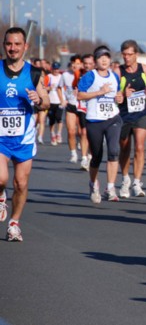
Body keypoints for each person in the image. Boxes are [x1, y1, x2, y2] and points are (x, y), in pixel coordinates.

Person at [0, 27, 50, 241]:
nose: (13, 48)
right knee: (2, 177)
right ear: (4, 46)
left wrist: (38, 100)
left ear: (25, 46)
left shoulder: (34, 73)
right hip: (1, 137)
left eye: (17, 44)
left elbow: (46, 102)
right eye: (9, 44)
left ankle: (14, 223)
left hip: (24, 138)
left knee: (21, 183)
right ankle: (2, 195)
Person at [77, 46, 124, 203]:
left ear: (110, 60)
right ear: (95, 61)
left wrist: (120, 98)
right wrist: (99, 92)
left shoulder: (115, 76)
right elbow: (80, 95)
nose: (104, 60)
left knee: (114, 151)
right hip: (94, 120)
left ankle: (110, 187)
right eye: (100, 57)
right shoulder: (90, 76)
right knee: (96, 156)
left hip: (112, 119)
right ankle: (93, 184)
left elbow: (117, 94)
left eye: (106, 57)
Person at [113, 40, 146, 199]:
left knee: (140, 147)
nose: (127, 58)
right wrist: (122, 94)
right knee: (124, 148)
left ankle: (137, 182)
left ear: (136, 54)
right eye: (124, 54)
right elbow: (112, 95)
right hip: (123, 114)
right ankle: (125, 179)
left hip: (141, 113)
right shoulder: (118, 71)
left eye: (130, 54)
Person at [60, 55, 84, 163]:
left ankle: (82, 147)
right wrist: (62, 99)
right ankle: (73, 153)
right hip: (70, 104)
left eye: (78, 63)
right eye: (74, 63)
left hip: (82, 105)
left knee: (81, 131)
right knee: (71, 131)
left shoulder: (84, 75)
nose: (75, 65)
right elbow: (59, 88)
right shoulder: (65, 75)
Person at [74, 53, 95, 170]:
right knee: (83, 132)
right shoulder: (79, 74)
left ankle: (91, 155)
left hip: (94, 107)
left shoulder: (97, 75)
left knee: (92, 135)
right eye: (85, 63)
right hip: (82, 106)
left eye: (90, 64)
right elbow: (74, 86)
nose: (87, 66)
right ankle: (84, 158)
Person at [46, 61, 65, 145]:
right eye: (54, 69)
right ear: (52, 69)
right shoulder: (48, 77)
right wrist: (49, 88)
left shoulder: (62, 77)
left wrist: (64, 100)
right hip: (51, 101)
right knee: (52, 120)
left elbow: (65, 88)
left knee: (59, 118)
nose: (56, 71)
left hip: (60, 101)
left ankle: (59, 134)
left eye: (57, 69)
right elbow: (43, 88)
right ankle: (52, 134)